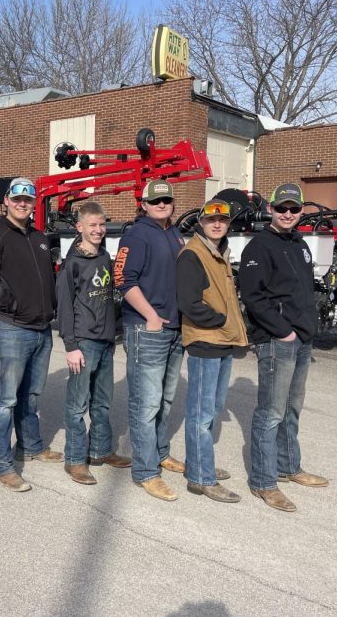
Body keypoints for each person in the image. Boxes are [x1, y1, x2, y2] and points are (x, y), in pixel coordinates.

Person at [240, 183, 328, 512]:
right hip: (278, 341)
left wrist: (305, 329)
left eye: (293, 209)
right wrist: (283, 331)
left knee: (291, 408)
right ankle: (263, 481)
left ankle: (288, 466)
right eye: (281, 209)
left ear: (302, 211)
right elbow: (252, 296)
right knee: (271, 412)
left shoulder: (299, 244)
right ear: (271, 210)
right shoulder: (259, 247)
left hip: (302, 338)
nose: (287, 214)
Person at [0, 177, 62, 493]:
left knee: (31, 394)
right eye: (17, 199)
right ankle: (1, 464)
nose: (22, 204)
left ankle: (33, 446)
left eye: (28, 199)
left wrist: (49, 308)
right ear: (8, 201)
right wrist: (13, 304)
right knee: (5, 398)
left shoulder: (39, 237)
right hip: (10, 327)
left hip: (41, 329)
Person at [114, 179, 185, 501]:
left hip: (175, 329)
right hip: (148, 329)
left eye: (166, 200)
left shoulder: (173, 233)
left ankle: (159, 452)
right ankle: (145, 471)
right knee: (146, 403)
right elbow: (122, 281)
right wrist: (151, 317)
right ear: (143, 204)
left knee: (165, 399)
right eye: (155, 201)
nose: (162, 205)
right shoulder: (137, 234)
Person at [176, 199, 248, 504]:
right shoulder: (193, 254)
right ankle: (201, 479)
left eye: (222, 221)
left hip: (223, 341)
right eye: (210, 220)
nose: (217, 224)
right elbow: (189, 302)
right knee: (201, 414)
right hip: (206, 341)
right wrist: (220, 320)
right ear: (201, 224)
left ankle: (199, 463)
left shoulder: (218, 253)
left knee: (213, 410)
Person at [57, 201, 130, 485]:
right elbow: (64, 307)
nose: (98, 230)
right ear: (80, 227)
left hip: (105, 341)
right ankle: (75, 459)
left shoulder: (104, 258)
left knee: (102, 402)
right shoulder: (72, 263)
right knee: (77, 404)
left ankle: (100, 449)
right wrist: (71, 345)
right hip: (83, 342)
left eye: (101, 225)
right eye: (92, 226)